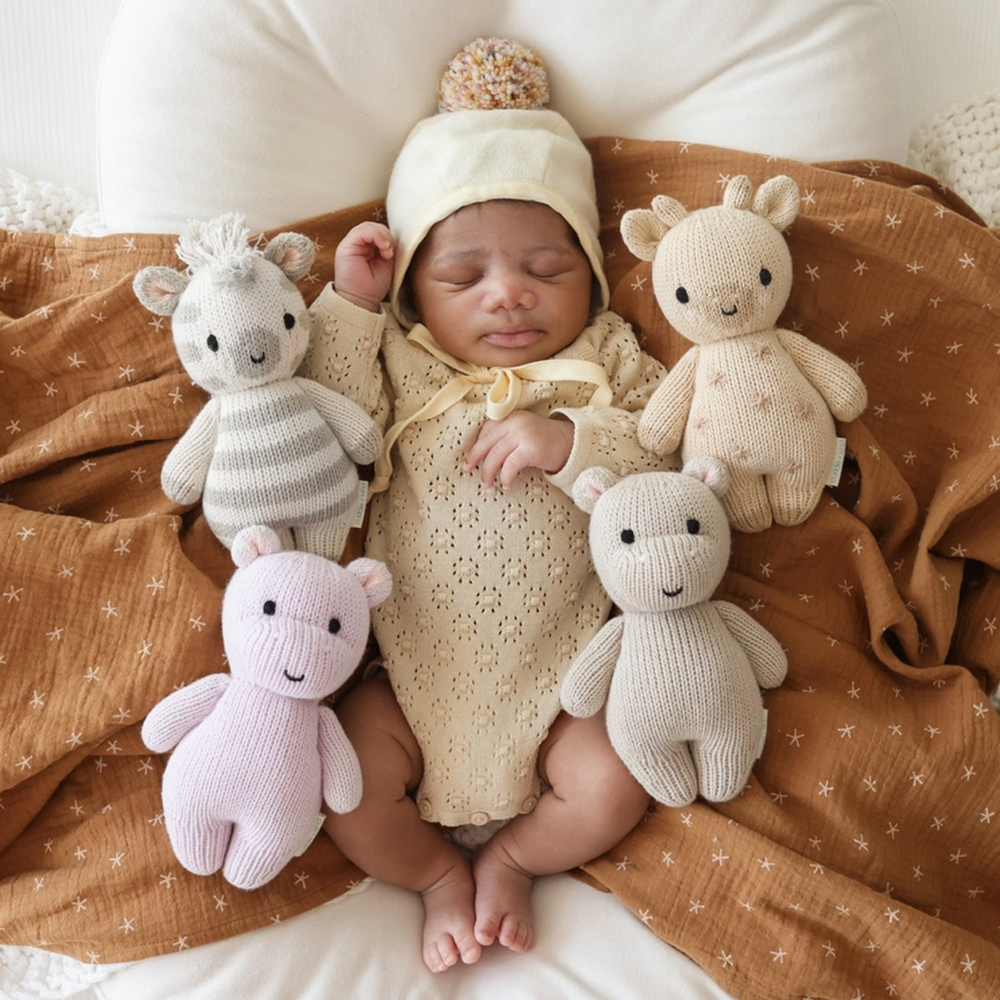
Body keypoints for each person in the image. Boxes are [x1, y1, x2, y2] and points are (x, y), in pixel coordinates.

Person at [302, 38, 672, 975]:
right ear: (419, 298)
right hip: (408, 681)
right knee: (347, 783)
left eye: (547, 267)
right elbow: (336, 406)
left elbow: (663, 449)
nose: (508, 293)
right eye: (464, 277)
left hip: (569, 683)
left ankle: (513, 857)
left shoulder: (604, 361)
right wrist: (352, 302)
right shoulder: (406, 359)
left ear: (589, 272)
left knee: (615, 776)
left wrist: (570, 442)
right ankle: (434, 878)